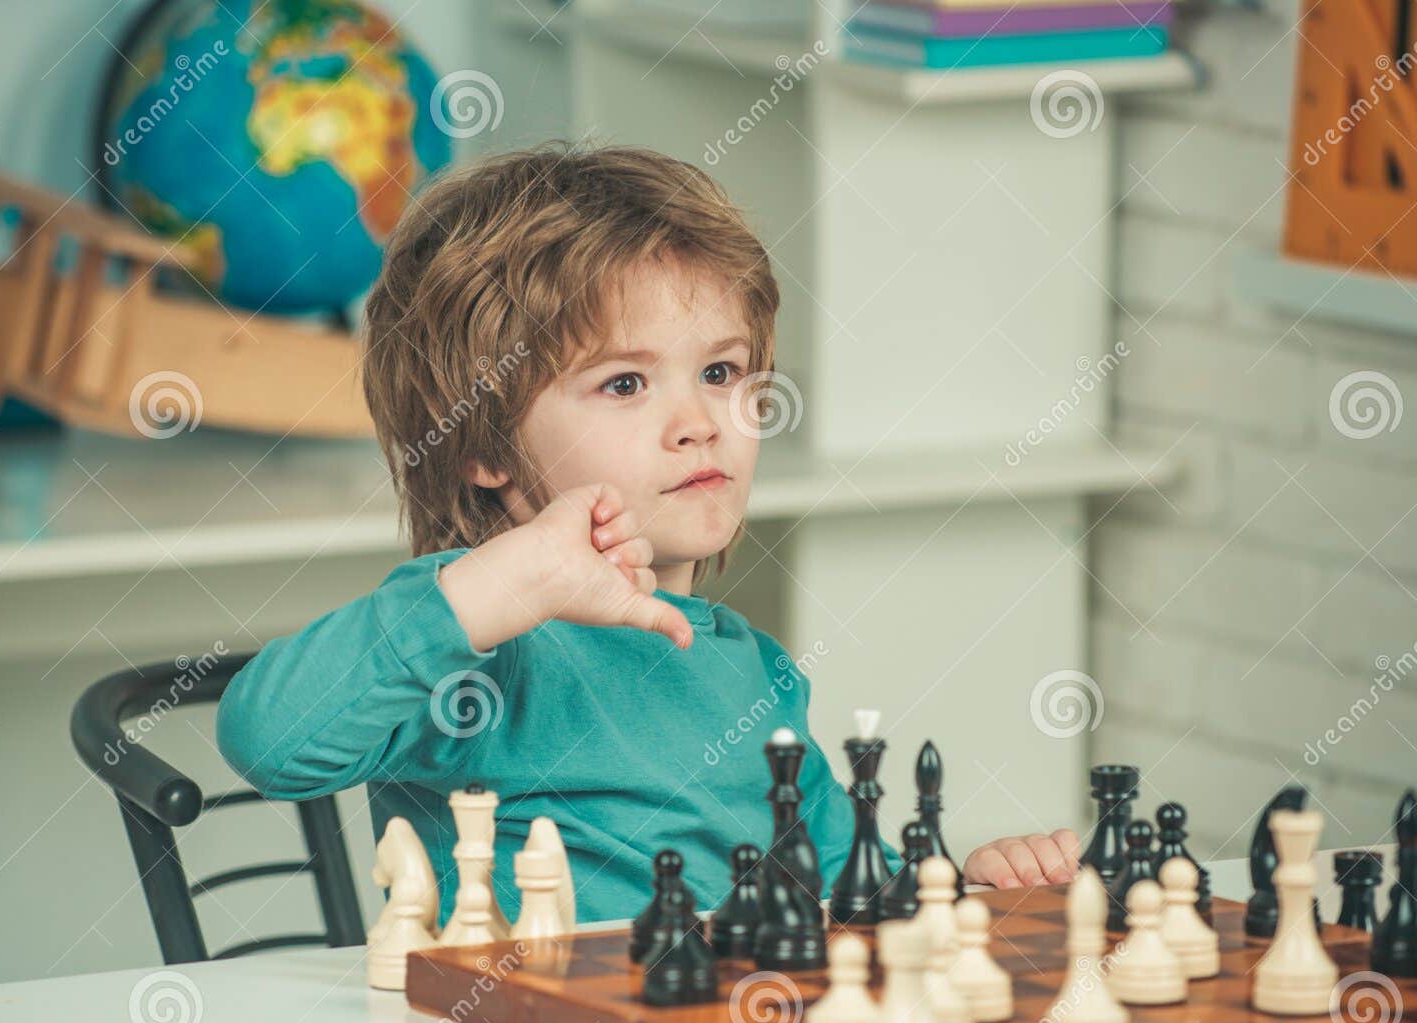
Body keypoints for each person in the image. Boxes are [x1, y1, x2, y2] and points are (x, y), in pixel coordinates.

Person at [216, 141, 1079, 924]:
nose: (698, 421)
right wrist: (503, 585)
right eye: (625, 384)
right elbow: (270, 739)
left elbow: (848, 894)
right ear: (481, 445)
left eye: (720, 371)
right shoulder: (488, 649)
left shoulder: (754, 672)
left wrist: (972, 885)